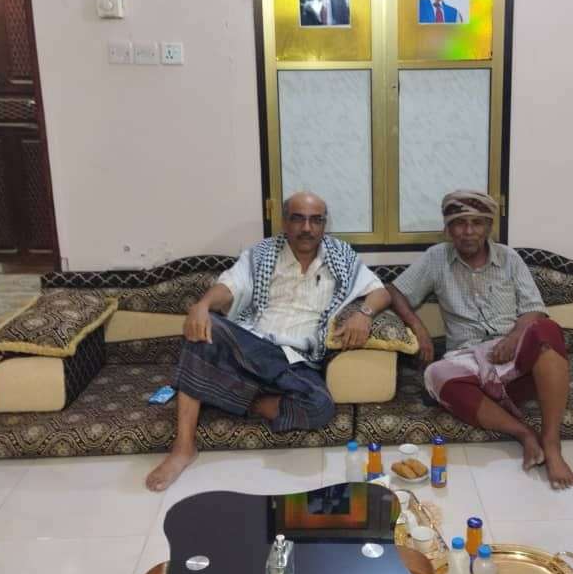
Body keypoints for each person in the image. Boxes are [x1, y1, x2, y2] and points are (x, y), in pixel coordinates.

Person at [145, 191, 390, 491]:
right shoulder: (262, 254)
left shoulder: (341, 257)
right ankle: (183, 448)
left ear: (324, 225)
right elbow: (229, 286)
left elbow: (381, 292)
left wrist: (364, 314)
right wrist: (202, 305)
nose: (307, 228)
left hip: (298, 361)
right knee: (205, 330)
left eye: (315, 220)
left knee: (321, 406)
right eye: (298, 219)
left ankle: (229, 395)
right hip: (253, 347)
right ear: (284, 222)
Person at [387, 190, 573, 489]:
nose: (468, 231)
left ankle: (552, 445)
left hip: (514, 362)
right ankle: (523, 433)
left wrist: (514, 338)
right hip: (467, 361)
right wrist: (419, 329)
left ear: (489, 227)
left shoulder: (509, 258)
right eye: (459, 223)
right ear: (448, 229)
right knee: (435, 374)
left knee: (548, 330)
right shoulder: (436, 258)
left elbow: (534, 309)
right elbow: (395, 291)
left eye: (477, 223)